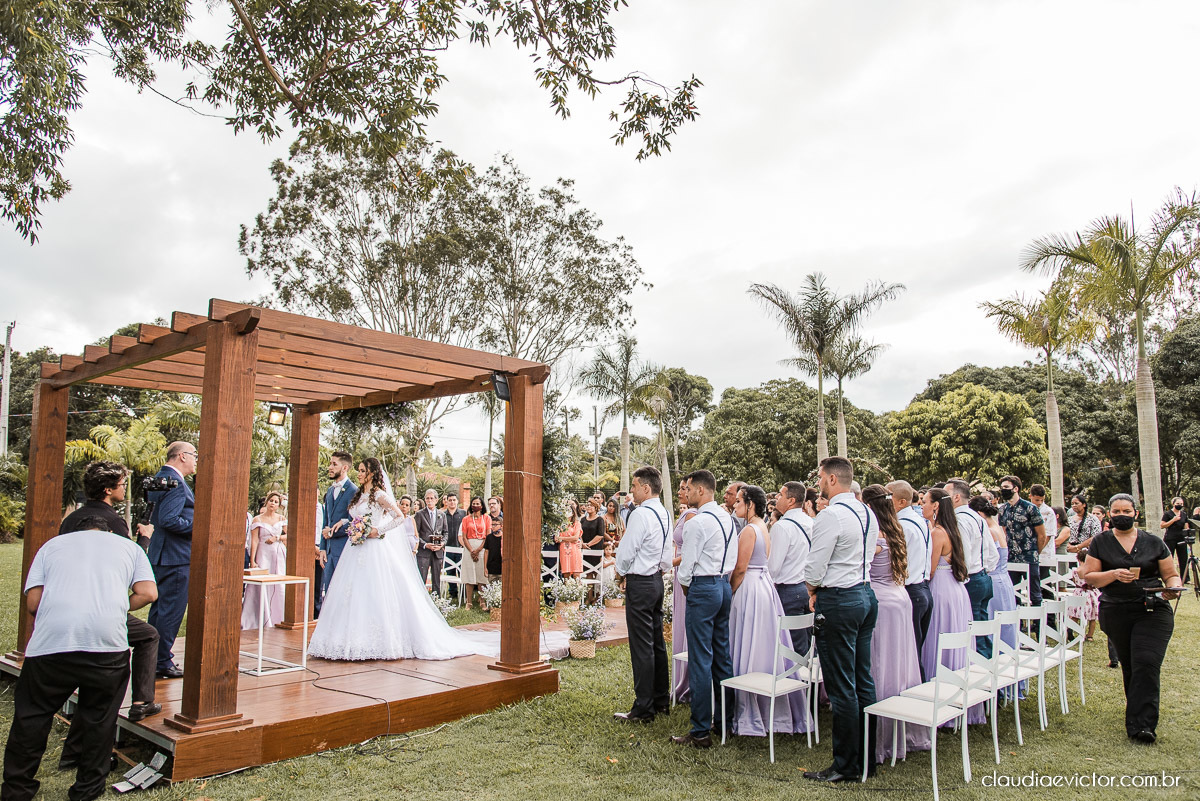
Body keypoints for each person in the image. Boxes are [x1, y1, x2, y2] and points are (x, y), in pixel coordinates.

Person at [309, 459, 563, 661]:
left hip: (374, 547)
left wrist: (377, 530)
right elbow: (355, 516)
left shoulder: (379, 495)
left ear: (373, 473)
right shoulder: (358, 497)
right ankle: (345, 638)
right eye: (359, 470)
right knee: (351, 594)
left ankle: (375, 639)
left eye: (363, 470)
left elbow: (398, 517)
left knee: (375, 593)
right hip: (356, 549)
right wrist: (347, 524)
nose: (360, 474)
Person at [2, 515, 157, 801]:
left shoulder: (51, 546)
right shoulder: (128, 547)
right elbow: (148, 593)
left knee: (32, 717)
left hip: (51, 644)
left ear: (70, 532)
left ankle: (17, 790)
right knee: (100, 719)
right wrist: (117, 607)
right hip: (107, 644)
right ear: (107, 531)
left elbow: (34, 603)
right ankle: (86, 791)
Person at [56, 462, 160, 729]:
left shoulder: (70, 520)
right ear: (108, 489)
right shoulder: (112, 522)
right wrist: (145, 539)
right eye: (122, 484)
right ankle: (141, 703)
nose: (125, 489)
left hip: (68, 603)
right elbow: (128, 567)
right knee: (148, 636)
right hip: (99, 607)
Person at [1079, 494, 1182, 744]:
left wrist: (1173, 588)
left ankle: (1143, 726)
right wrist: (1113, 574)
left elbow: (1171, 575)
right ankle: (1137, 716)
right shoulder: (1100, 542)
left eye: (1126, 510)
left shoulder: (1154, 542)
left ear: (1136, 513)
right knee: (1130, 665)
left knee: (1146, 662)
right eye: (1116, 511)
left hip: (1152, 609)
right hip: (1116, 610)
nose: (1121, 515)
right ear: (1109, 515)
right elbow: (1089, 576)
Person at [802, 457, 879, 783]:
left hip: (839, 599)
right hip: (865, 596)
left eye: (821, 478)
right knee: (863, 679)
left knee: (841, 685)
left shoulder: (831, 515)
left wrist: (812, 589)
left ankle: (846, 765)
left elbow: (814, 569)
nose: (819, 483)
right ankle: (867, 759)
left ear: (832, 479)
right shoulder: (867, 512)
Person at [728, 484, 804, 737]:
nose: (734, 505)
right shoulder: (765, 527)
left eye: (739, 501)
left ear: (750, 504)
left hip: (750, 587)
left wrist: (731, 591)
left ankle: (748, 707)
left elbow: (740, 568)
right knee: (762, 642)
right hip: (765, 587)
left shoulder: (750, 530)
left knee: (747, 640)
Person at [861, 484, 929, 763]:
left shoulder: (875, 536)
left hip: (883, 603)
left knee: (880, 665)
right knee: (900, 663)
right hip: (900, 597)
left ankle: (882, 737)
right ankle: (904, 729)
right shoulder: (897, 530)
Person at [671, 470, 738, 749]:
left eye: (688, 489)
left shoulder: (697, 523)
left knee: (700, 658)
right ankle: (725, 722)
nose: (686, 493)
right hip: (724, 586)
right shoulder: (729, 519)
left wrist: (687, 587)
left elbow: (686, 566)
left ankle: (700, 731)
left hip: (704, 587)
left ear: (700, 490)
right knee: (722, 655)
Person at [613, 466, 672, 723]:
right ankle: (661, 700)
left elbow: (627, 550)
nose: (632, 490)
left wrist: (620, 572)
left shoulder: (640, 514)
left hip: (641, 582)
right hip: (657, 580)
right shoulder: (665, 512)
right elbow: (668, 554)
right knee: (657, 642)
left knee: (642, 646)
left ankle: (644, 707)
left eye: (635, 485)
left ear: (646, 488)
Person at [919, 489, 975, 714]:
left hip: (941, 589)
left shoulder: (937, 533)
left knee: (937, 636)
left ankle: (938, 698)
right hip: (957, 590)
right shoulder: (954, 530)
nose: (921, 505)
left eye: (924, 502)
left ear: (935, 507)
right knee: (953, 637)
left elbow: (930, 570)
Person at [145, 440, 197, 680]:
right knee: (171, 611)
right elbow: (168, 519)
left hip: (160, 553)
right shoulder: (176, 484)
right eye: (194, 454)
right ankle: (162, 661)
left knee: (159, 609)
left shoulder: (159, 478)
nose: (196, 459)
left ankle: (151, 656)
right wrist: (199, 526)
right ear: (182, 456)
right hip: (176, 556)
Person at [946, 479, 997, 656]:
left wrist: (961, 577)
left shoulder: (959, 520)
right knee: (982, 630)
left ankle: (982, 674)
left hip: (972, 580)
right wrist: (985, 569)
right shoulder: (978, 517)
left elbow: (963, 556)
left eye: (946, 496)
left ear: (956, 497)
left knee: (974, 633)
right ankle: (990, 668)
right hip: (983, 576)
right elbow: (992, 552)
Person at [888, 480, 933, 679]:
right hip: (923, 589)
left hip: (911, 591)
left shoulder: (902, 526)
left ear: (901, 501)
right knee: (916, 650)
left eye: (888, 498)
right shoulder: (920, 522)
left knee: (911, 653)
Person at [978, 495, 1021, 699]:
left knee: (994, 630)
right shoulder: (997, 526)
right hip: (1004, 581)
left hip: (994, 582)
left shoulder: (988, 529)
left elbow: (988, 559)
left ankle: (999, 685)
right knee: (1006, 630)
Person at [769, 481, 812, 657]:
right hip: (808, 588)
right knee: (808, 643)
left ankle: (795, 682)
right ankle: (810, 682)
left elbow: (773, 568)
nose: (777, 497)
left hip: (788, 591)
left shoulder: (781, 526)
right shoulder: (810, 522)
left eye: (780, 494)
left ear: (791, 500)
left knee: (792, 647)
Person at [998, 475, 1046, 617]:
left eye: (1006, 487)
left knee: (1035, 594)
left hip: (1029, 556)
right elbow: (1005, 532)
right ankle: (1017, 628)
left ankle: (1038, 629)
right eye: (1002, 488)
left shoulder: (1030, 508)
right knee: (1013, 593)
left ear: (1016, 488)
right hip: (1011, 557)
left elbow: (1042, 535)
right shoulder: (1003, 510)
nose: (1003, 490)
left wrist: (1035, 552)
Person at [241, 491, 288, 629]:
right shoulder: (257, 520)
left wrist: (278, 538)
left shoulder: (281, 519)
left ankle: (278, 616)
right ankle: (259, 617)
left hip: (278, 553)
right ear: (266, 502)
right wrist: (253, 560)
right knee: (261, 585)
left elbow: (291, 535)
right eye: (271, 501)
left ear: (279, 505)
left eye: (276, 502)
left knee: (278, 584)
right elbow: (254, 540)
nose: (273, 503)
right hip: (263, 553)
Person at [670, 477, 698, 702]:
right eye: (679, 488)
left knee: (686, 624)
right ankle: (680, 678)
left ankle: (687, 681)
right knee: (679, 621)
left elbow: (689, 552)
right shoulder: (683, 514)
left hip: (684, 574)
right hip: (679, 575)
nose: (680, 492)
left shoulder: (692, 516)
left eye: (684, 488)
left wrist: (669, 562)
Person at [320, 451, 358, 601]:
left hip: (345, 550)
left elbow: (353, 522)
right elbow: (326, 521)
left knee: (344, 595)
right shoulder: (330, 491)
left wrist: (333, 532)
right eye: (330, 463)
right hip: (329, 552)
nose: (330, 467)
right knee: (329, 594)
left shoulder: (354, 491)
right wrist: (323, 547)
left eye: (334, 464)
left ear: (345, 468)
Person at [415, 489, 448, 594]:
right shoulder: (419, 514)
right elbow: (415, 534)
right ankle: (420, 600)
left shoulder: (441, 515)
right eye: (427, 498)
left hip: (437, 552)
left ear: (436, 500)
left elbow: (446, 533)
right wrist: (425, 545)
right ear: (425, 500)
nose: (429, 500)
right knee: (421, 578)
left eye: (431, 498)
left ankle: (436, 600)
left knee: (436, 580)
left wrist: (442, 544)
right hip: (424, 552)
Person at [460, 497, 491, 608]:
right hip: (469, 546)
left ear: (482, 505)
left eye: (477, 503)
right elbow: (464, 536)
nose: (475, 505)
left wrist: (478, 550)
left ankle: (482, 601)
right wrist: (472, 551)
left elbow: (488, 535)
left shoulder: (486, 518)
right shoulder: (466, 519)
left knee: (481, 574)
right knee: (469, 574)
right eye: (473, 503)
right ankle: (469, 602)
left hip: (482, 546)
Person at [442, 492, 466, 601]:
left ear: (457, 501)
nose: (452, 502)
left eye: (454, 500)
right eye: (450, 500)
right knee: (450, 571)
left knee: (462, 571)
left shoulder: (463, 513)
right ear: (446, 502)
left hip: (460, 547)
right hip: (447, 548)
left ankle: (464, 593)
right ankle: (453, 593)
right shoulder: (442, 514)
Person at [1161, 496, 1190, 582]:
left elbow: (1186, 526)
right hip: (1170, 538)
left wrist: (1187, 534)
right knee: (1169, 558)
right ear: (1173, 504)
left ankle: (1185, 578)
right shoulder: (1167, 514)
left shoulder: (1183, 514)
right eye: (1178, 504)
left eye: (1181, 504)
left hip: (1181, 538)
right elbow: (1162, 525)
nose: (1179, 505)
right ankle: (1167, 576)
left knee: (1184, 558)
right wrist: (1173, 520)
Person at [555, 501, 584, 579]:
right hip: (564, 550)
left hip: (575, 550)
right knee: (566, 574)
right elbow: (556, 539)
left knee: (576, 574)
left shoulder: (577, 523)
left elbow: (575, 538)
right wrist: (565, 539)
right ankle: (566, 590)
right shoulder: (560, 524)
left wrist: (562, 538)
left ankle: (577, 590)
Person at [486, 496, 504, 583]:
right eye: (489, 504)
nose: (491, 505)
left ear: (499, 504)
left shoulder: (506, 516)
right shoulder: (486, 518)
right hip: (490, 553)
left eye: (493, 503)